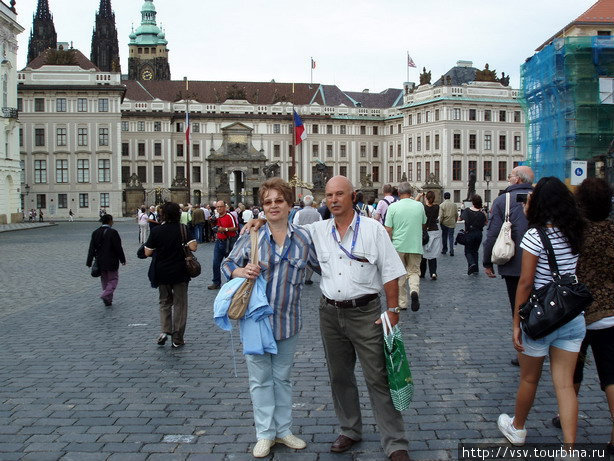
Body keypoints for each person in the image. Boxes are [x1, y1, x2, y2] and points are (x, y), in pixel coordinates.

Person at [244, 176, 411, 461]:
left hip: (366, 312)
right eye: (329, 195)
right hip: (330, 313)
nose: (333, 200)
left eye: (339, 195)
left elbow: (392, 271)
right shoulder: (316, 231)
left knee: (378, 377)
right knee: (340, 377)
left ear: (353, 196)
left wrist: (393, 310)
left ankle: (395, 442)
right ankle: (350, 429)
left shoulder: (373, 229)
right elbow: (284, 226)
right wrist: (259, 221)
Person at [222, 178, 318, 458]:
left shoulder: (303, 238)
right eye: (268, 202)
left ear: (290, 204)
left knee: (282, 378)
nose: (273, 206)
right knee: (260, 380)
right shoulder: (252, 235)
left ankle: (284, 431)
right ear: (262, 207)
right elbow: (226, 263)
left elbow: (325, 267)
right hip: (255, 321)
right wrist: (239, 272)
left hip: (288, 320)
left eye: (279, 201)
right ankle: (265, 434)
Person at [497, 177, 586, 451]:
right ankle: (570, 449)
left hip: (540, 318)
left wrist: (516, 323)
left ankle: (518, 427)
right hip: (571, 317)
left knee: (529, 378)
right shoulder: (575, 232)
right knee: (565, 385)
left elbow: (525, 283)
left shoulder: (535, 235)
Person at [547, 178, 614, 453]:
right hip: (610, 313)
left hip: (578, 313)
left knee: (571, 370)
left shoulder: (576, 232)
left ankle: (567, 416)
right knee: (611, 376)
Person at [483, 165, 535, 366]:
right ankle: (539, 344)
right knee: (539, 303)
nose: (508, 177)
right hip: (540, 263)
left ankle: (525, 350)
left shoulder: (502, 200)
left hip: (514, 263)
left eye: (511, 175)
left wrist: (487, 262)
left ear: (519, 180)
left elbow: (493, 233)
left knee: (518, 306)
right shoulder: (543, 198)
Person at [144, 202, 197, 348]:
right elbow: (193, 247)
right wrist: (182, 245)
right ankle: (177, 338)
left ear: (163, 215)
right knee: (180, 304)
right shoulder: (183, 229)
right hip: (180, 271)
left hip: (161, 271)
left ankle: (165, 330)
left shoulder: (156, 231)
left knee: (164, 302)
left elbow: (147, 252)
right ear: (178, 214)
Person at [384, 182, 427, 312]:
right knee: (414, 272)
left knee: (400, 274)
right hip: (415, 245)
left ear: (398, 193)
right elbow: (424, 223)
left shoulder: (393, 207)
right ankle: (414, 291)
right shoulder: (419, 206)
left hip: (398, 245)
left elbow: (388, 229)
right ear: (411, 192)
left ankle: (402, 303)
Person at [86, 214, 126, 307]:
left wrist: (89, 261)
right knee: (113, 280)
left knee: (105, 281)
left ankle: (108, 300)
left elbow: (91, 248)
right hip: (111, 261)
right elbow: (118, 248)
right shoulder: (113, 232)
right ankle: (105, 295)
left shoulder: (95, 232)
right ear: (110, 221)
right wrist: (122, 259)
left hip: (100, 260)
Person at [292, 194, 322, 285]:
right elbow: (320, 227)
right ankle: (308, 278)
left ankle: (301, 276)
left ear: (304, 203)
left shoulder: (298, 213)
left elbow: (295, 226)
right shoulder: (317, 213)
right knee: (312, 260)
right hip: (313, 240)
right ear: (312, 203)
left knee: (301, 257)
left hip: (301, 239)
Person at [208, 201, 238, 290]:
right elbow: (214, 227)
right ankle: (216, 282)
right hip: (219, 241)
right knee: (215, 263)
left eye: (220, 207)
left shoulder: (229, 216)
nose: (219, 209)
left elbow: (236, 228)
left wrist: (224, 229)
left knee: (230, 263)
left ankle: (231, 282)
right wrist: (212, 223)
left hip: (228, 242)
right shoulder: (216, 216)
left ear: (225, 207)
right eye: (217, 207)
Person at [461, 194, 487, 275]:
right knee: (475, 251)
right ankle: (475, 269)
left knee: (467, 251)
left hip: (469, 233)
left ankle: (471, 264)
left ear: (472, 202)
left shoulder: (467, 211)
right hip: (479, 234)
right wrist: (484, 213)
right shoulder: (482, 212)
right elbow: (486, 222)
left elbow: (460, 218)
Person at [420, 190, 442, 280]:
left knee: (424, 254)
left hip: (425, 231)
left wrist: (423, 198)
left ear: (426, 198)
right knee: (433, 253)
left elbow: (418, 204)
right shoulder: (437, 207)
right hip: (434, 230)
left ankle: (422, 272)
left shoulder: (423, 208)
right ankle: (433, 272)